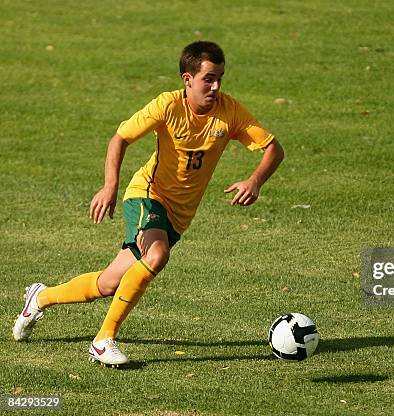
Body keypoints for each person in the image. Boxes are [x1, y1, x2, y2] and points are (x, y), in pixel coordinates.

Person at [12, 41, 284, 367]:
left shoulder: (230, 111)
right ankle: (103, 340)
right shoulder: (167, 106)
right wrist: (110, 185)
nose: (216, 87)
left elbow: (273, 148)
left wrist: (254, 181)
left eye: (220, 78)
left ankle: (39, 298)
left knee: (108, 284)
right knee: (157, 255)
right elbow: (121, 138)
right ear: (188, 79)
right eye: (208, 79)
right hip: (147, 194)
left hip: (179, 217)